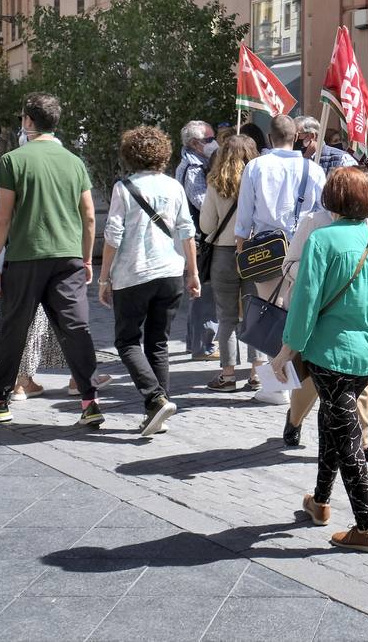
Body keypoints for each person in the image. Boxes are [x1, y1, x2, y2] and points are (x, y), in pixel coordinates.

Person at [269, 169, 368, 553]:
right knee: (333, 422)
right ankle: (320, 502)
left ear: (332, 198)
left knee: (346, 437)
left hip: (329, 354)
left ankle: (367, 527)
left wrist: (285, 352)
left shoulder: (322, 239)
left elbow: (305, 304)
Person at [0, 93, 104, 426]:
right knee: (76, 328)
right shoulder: (75, 162)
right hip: (68, 258)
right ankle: (89, 400)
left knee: (13, 328)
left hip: (26, 257)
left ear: (28, 121)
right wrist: (86, 259)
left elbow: (2, 218)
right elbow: (88, 216)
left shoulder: (14, 160)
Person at [280, 169, 368, 464]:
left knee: (362, 388)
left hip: (360, 322)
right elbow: (289, 263)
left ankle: (362, 443)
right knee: (309, 384)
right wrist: (313, 276)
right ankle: (294, 421)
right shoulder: (315, 224)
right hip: (320, 316)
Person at [98, 127, 201, 436]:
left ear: (130, 154)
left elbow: (113, 235)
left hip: (134, 273)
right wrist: (193, 273)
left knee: (127, 340)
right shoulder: (173, 186)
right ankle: (158, 411)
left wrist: (104, 278)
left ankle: (155, 398)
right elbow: (187, 231)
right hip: (170, 272)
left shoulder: (123, 188)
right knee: (158, 343)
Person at [235, 113, 327, 338]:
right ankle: (298, 367)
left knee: (271, 314)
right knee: (303, 313)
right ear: (296, 136)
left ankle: (277, 368)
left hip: (267, 250)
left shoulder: (255, 167)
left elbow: (244, 217)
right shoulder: (313, 169)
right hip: (304, 248)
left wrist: (241, 253)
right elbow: (324, 213)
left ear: (269, 136)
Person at [200, 134, 264, 391]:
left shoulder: (215, 184)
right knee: (255, 314)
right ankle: (257, 372)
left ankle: (227, 376)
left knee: (226, 316)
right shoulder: (260, 183)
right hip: (255, 252)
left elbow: (206, 225)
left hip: (224, 254)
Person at [177, 120, 218, 361]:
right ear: (194, 143)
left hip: (198, 237)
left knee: (200, 292)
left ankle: (195, 343)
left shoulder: (199, 163)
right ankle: (203, 346)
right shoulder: (193, 168)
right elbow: (201, 202)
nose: (214, 143)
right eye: (209, 139)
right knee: (205, 291)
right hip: (200, 238)